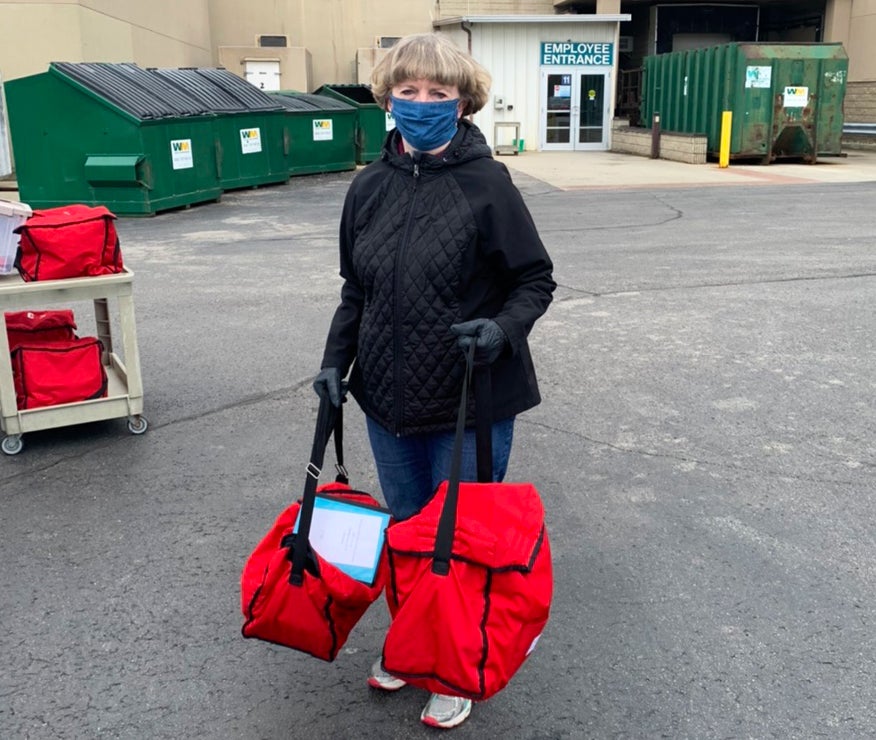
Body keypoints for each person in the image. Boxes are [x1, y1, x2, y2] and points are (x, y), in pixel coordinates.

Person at [313, 32, 555, 729]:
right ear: (388, 99)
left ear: (463, 102)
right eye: (408, 91)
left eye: (437, 93)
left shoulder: (488, 184)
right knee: (408, 534)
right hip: (386, 399)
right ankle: (412, 643)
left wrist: (502, 330)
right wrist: (335, 364)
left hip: (469, 401)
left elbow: (534, 279)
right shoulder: (367, 188)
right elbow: (355, 290)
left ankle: (455, 664)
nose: (421, 104)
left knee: (458, 540)